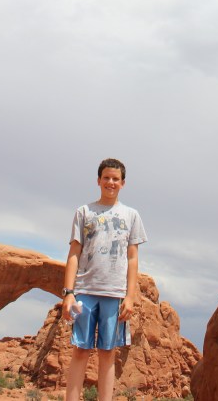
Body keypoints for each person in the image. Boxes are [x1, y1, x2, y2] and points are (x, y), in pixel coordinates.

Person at [62, 158, 147, 401]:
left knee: (108, 352)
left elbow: (132, 258)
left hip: (114, 293)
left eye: (115, 179)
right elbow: (74, 254)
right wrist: (69, 293)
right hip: (85, 291)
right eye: (106, 178)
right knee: (80, 350)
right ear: (98, 180)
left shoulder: (131, 215)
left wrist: (129, 297)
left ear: (123, 183)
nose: (111, 182)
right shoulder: (84, 212)